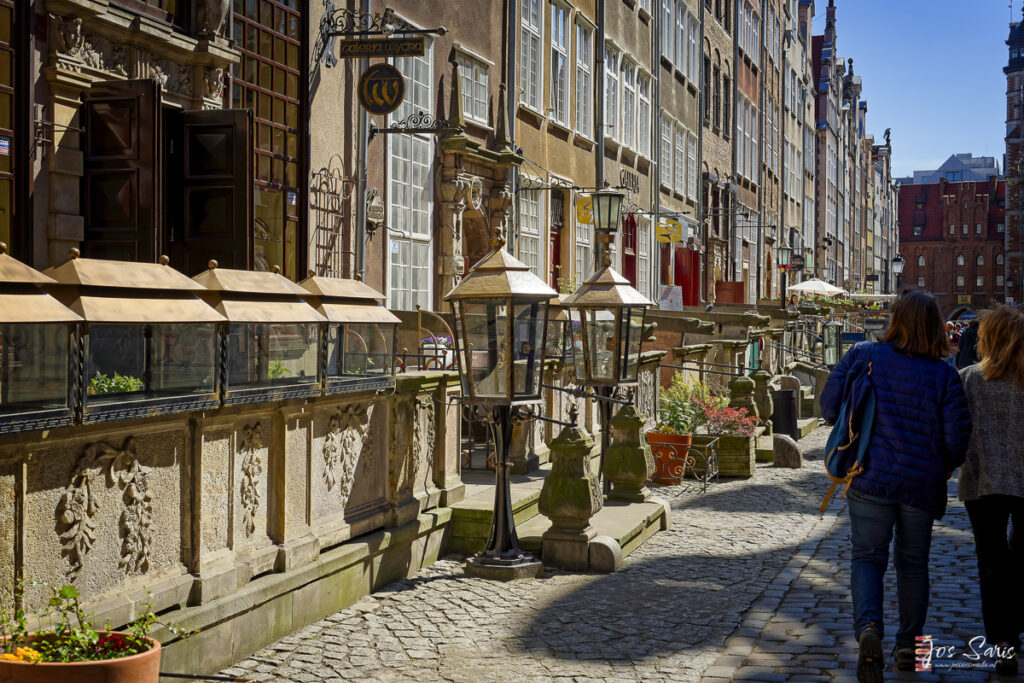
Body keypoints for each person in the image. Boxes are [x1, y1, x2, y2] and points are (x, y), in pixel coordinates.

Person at [820, 291, 971, 682]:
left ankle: (869, 629)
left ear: (895, 319)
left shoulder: (864, 355)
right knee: (913, 564)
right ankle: (909, 646)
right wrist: (942, 467)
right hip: (921, 485)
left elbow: (829, 403)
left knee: (867, 558)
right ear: (936, 326)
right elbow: (957, 439)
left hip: (869, 476)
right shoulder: (945, 374)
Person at [958, 306, 1024, 675]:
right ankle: (1013, 630)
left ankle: (1002, 642)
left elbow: (954, 433)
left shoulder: (968, 379)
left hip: (982, 482)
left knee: (992, 563)